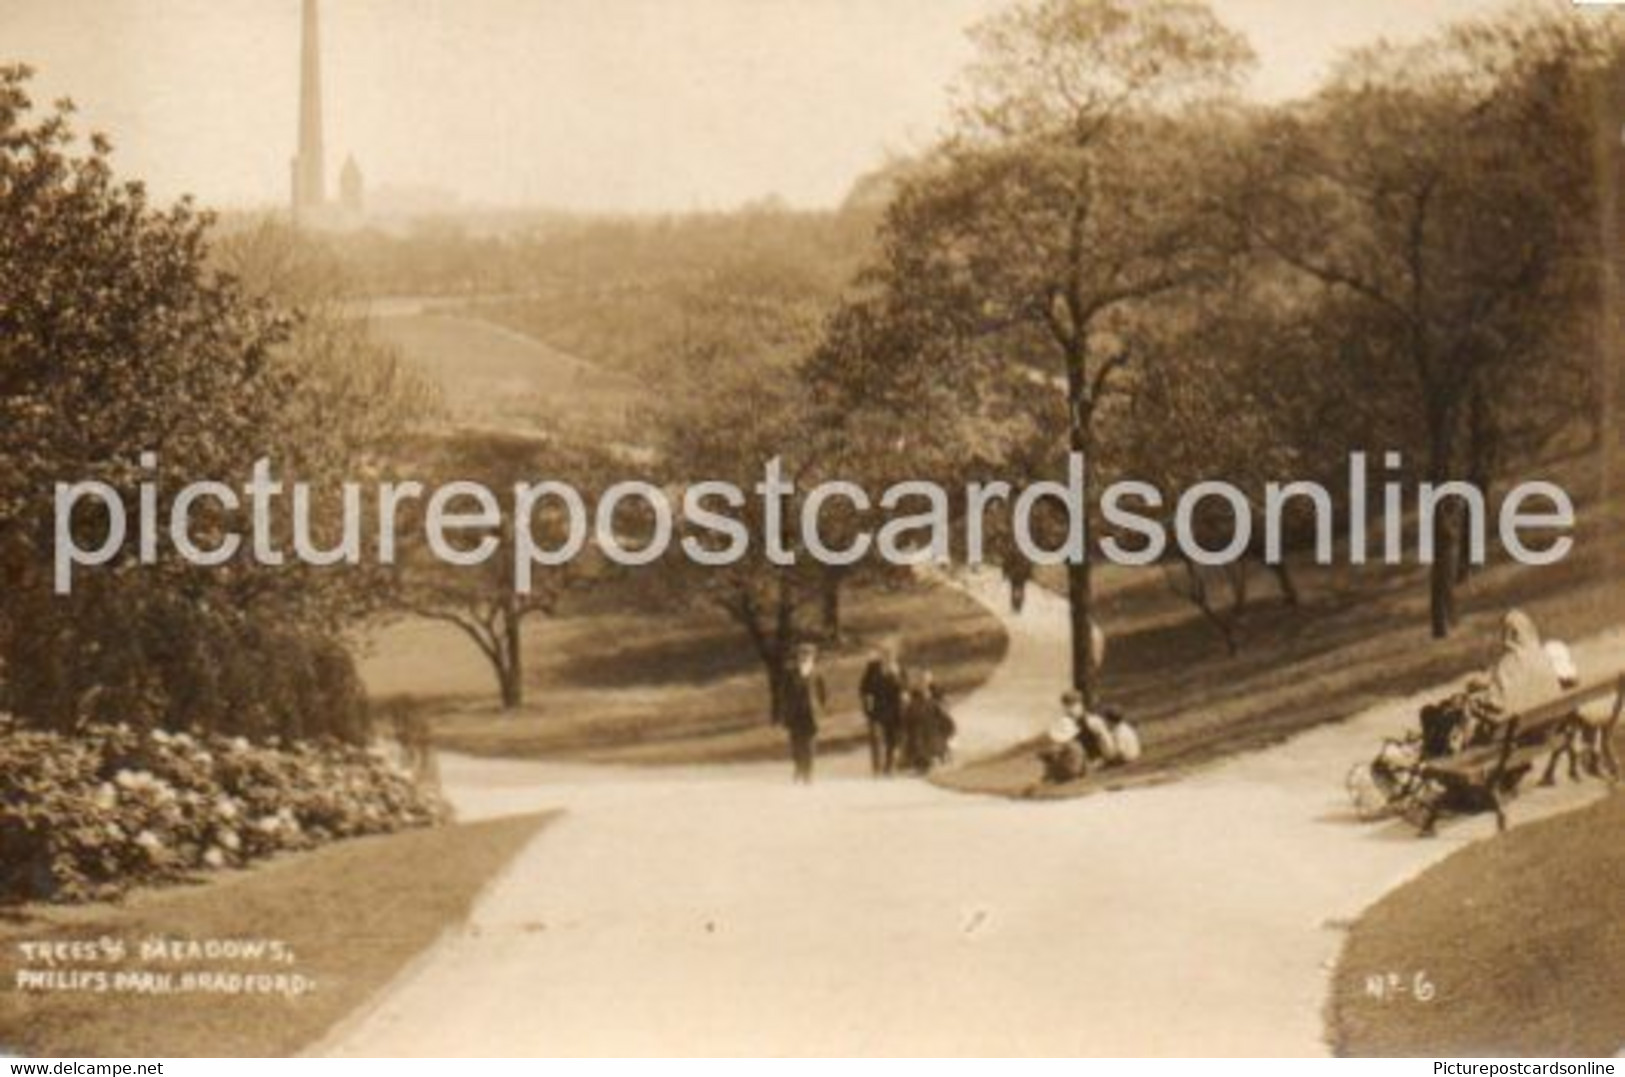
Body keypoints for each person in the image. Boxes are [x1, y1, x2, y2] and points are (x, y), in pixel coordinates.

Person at [858, 639, 907, 776]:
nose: (888, 656)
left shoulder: (899, 668)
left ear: (895, 655)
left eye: (891, 654)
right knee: (876, 737)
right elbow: (863, 687)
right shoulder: (872, 667)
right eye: (885, 653)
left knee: (892, 739)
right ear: (881, 655)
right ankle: (877, 769)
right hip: (877, 710)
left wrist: (896, 676)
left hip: (893, 710)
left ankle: (889, 767)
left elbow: (904, 689)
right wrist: (867, 698)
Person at [780, 643, 826, 784]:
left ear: (813, 656)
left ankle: (809, 773)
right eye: (802, 654)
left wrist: (819, 710)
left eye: (808, 654)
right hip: (795, 714)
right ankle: (799, 767)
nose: (805, 657)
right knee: (796, 744)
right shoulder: (790, 672)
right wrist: (786, 712)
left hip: (811, 714)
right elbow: (785, 694)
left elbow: (822, 694)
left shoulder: (817, 672)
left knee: (810, 744)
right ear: (798, 656)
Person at [1036, 693, 1088, 785]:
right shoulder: (1076, 743)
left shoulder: (1066, 743)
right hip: (1079, 768)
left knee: (1050, 758)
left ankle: (1050, 777)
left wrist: (1041, 753)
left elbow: (1051, 752)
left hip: (1070, 771)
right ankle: (1080, 772)